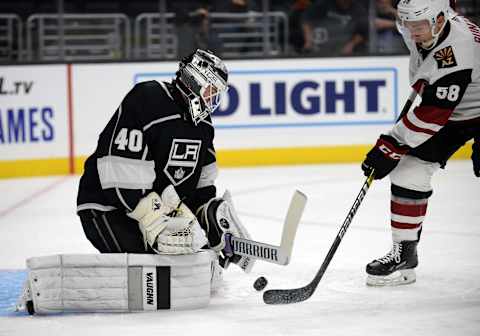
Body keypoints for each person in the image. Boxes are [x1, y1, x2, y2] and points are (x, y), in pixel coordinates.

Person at [76, 49, 253, 273]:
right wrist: (154, 219)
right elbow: (121, 170)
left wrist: (211, 220)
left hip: (157, 214)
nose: (212, 100)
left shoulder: (204, 126)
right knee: (152, 275)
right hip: (107, 208)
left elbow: (199, 188)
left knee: (201, 270)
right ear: (194, 80)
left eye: (216, 94)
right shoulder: (149, 98)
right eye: (210, 90)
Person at [361, 0, 480, 286]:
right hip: (459, 111)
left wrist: (389, 147)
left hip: (457, 110)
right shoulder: (423, 21)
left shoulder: (457, 50)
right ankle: (405, 253)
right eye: (408, 25)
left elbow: (431, 116)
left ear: (440, 21)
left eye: (420, 26)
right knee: (409, 169)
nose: (413, 32)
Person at [301, 0, 368, 56]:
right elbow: (306, 20)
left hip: (345, 52)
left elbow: (363, 31)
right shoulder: (323, 4)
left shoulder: (358, 10)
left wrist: (351, 44)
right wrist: (309, 40)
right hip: (321, 48)